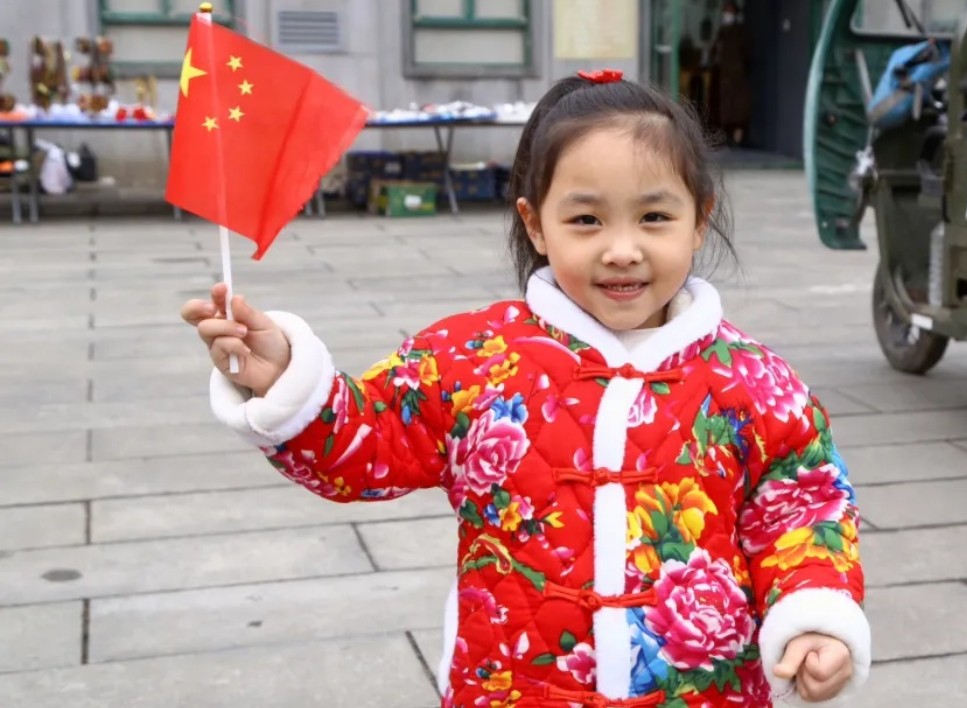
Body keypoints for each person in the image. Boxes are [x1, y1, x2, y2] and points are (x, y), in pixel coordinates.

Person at [181, 69, 870, 707]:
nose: (622, 249)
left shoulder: (754, 382)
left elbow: (804, 509)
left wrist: (814, 615)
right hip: (514, 685)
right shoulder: (475, 358)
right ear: (535, 223)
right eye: (586, 220)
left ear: (699, 217)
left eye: (654, 218)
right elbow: (370, 438)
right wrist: (287, 381)